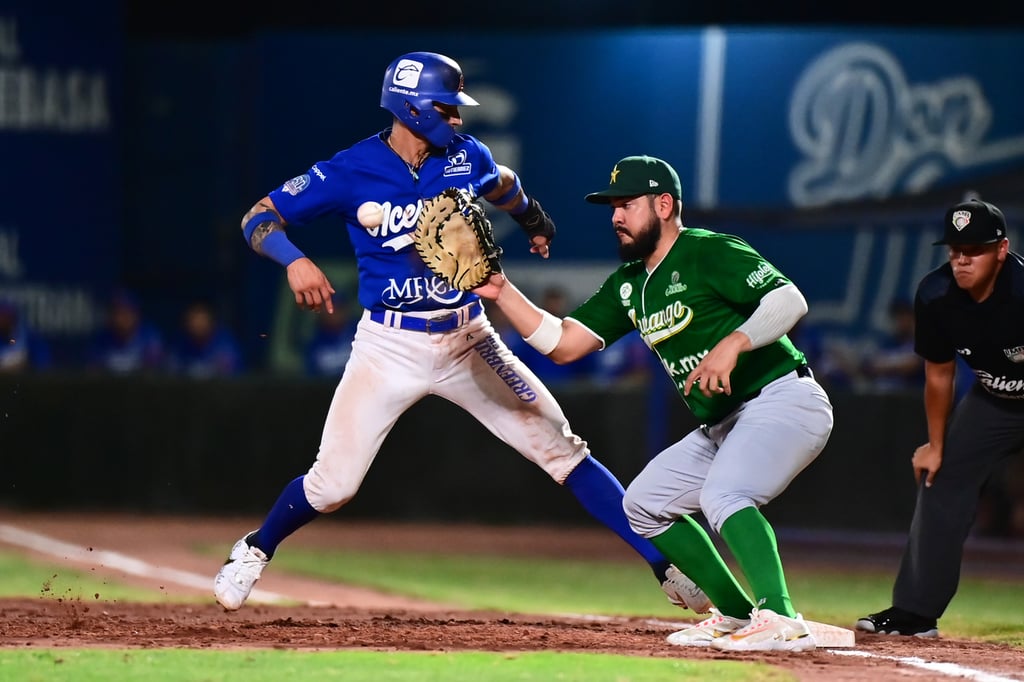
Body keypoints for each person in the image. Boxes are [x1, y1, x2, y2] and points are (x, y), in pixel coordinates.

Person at [213, 52, 706, 614]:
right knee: (332, 487)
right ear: (413, 108)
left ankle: (664, 565)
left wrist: (532, 218)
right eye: (448, 108)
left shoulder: (465, 156)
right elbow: (259, 216)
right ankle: (255, 548)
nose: (458, 119)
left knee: (562, 449)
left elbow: (505, 184)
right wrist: (293, 260)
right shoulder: (350, 170)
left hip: (469, 338)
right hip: (388, 345)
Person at [473, 155, 834, 652]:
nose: (616, 215)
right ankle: (732, 613)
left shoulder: (706, 250)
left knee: (725, 495)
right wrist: (500, 290)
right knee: (643, 505)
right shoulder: (629, 284)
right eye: (613, 206)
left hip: (784, 398)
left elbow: (789, 300)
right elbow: (564, 343)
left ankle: (780, 614)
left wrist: (733, 344)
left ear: (664, 204)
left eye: (627, 204)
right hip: (726, 423)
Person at [856, 198, 1024, 638]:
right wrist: (935, 444)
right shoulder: (935, 294)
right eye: (954, 249)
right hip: (994, 404)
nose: (962, 259)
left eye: (975, 249)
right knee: (941, 477)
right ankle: (915, 613)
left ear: (1002, 249)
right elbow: (939, 375)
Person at [86, 289, 166, 374]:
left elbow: (153, 370)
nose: (120, 319)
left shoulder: (149, 336)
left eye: (126, 313)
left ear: (136, 315)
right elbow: (92, 370)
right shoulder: (101, 339)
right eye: (116, 313)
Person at [168, 300, 244, 379]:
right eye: (194, 319)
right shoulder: (180, 342)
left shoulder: (225, 342)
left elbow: (233, 372)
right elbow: (169, 368)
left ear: (212, 321)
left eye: (202, 319)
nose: (198, 324)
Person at [304, 291, 359, 378]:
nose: (334, 313)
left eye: (339, 308)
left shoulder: (359, 333)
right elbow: (311, 379)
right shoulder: (315, 343)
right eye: (330, 309)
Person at [0, 299, 51, 373]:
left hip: (26, 379)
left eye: (4, 317)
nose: (1, 320)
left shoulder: (29, 338)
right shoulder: (1, 337)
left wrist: (27, 363)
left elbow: (43, 363)